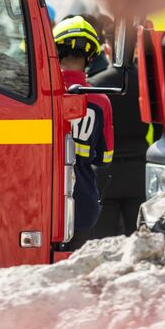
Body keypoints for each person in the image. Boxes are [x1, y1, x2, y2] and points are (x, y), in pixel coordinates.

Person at [53, 15, 114, 250]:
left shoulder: (41, 95)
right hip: (83, 204)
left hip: (43, 203)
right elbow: (105, 158)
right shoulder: (100, 100)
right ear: (90, 58)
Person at [88, 15, 152, 238]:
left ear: (107, 48)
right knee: (140, 242)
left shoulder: (95, 84)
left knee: (104, 243)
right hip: (140, 168)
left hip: (105, 172)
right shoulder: (148, 83)